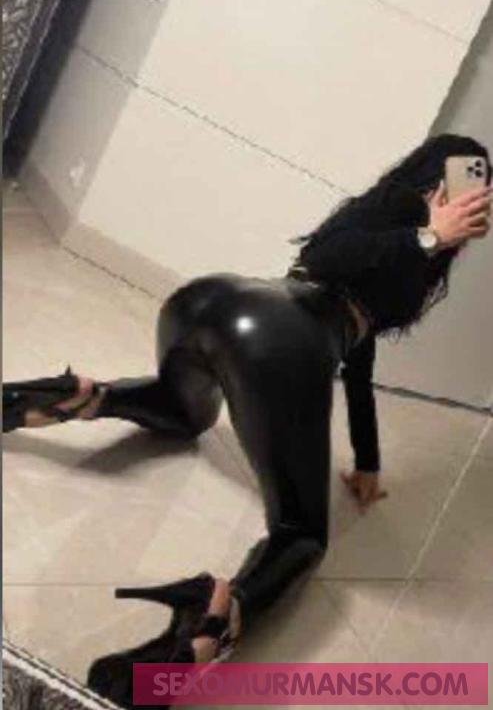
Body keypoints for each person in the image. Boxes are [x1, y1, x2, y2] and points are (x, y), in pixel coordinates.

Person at [3, 134, 492, 708]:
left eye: (481, 190)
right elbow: (330, 258)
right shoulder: (397, 216)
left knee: (185, 412)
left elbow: (360, 351)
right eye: (469, 181)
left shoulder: (405, 244)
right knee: (301, 535)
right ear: (433, 177)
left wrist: (368, 461)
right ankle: (219, 616)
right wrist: (429, 234)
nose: (475, 198)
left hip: (211, 303)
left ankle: (82, 395)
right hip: (275, 340)